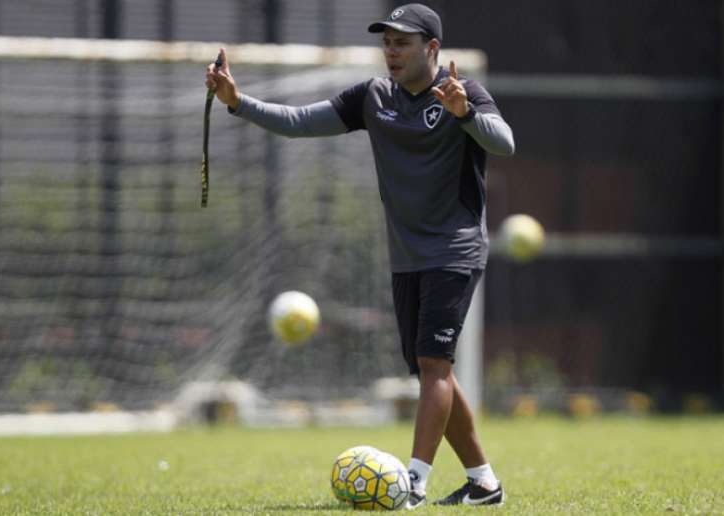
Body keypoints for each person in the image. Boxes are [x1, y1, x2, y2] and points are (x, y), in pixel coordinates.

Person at [205, 3, 514, 509]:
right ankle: (484, 482)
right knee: (428, 368)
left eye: (403, 43)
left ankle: (413, 482)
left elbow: (505, 143)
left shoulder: (463, 92)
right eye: (387, 42)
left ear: (431, 49)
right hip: (407, 254)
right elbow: (301, 122)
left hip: (455, 248)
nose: (391, 52)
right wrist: (238, 101)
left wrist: (465, 113)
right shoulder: (372, 96)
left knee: (434, 363)